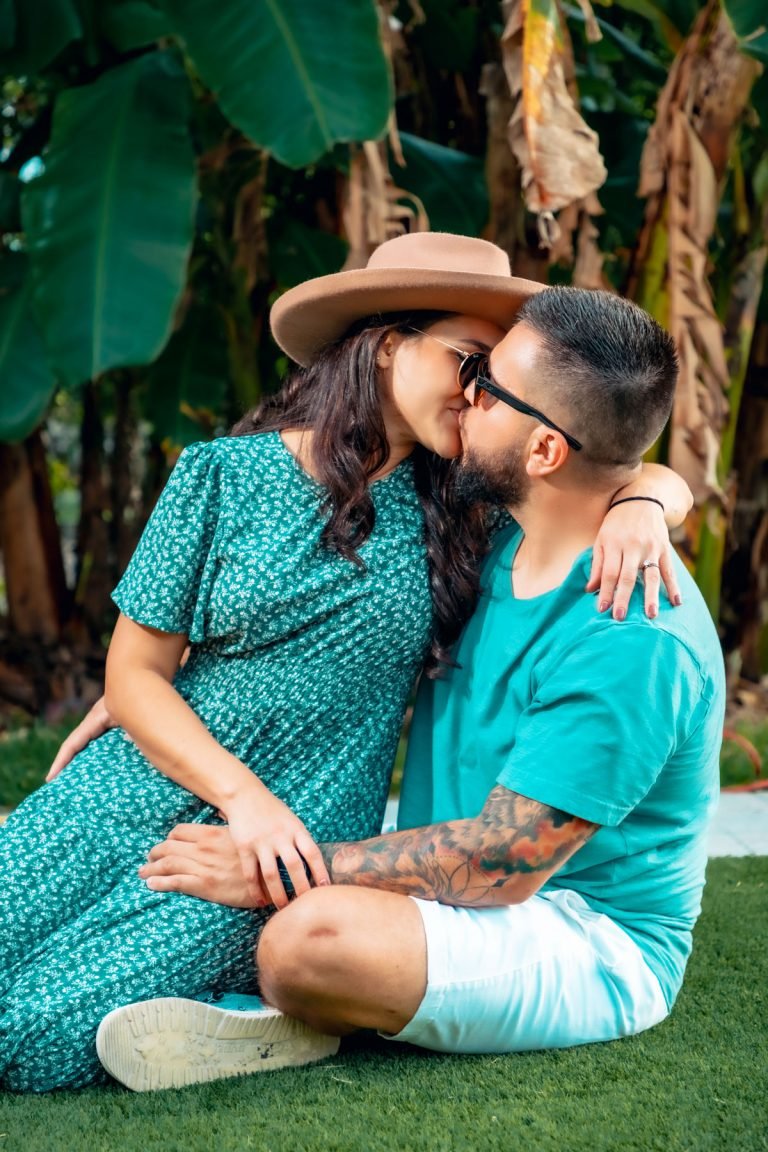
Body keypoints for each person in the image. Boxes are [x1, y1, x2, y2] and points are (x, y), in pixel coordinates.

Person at [0, 234, 688, 1094]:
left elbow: (600, 449)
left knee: (31, 1037)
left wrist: (647, 502)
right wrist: (222, 780)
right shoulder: (218, 474)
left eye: (492, 379)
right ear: (389, 340)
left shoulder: (468, 507)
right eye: (470, 364)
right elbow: (133, 675)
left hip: (292, 837)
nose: (480, 395)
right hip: (154, 779)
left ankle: (263, 1005)